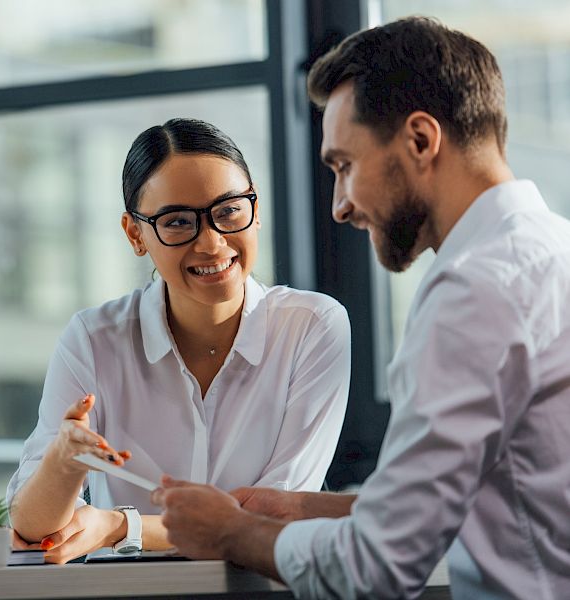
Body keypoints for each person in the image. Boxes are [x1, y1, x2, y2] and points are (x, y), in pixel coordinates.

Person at [152, 16, 570, 600]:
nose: (340, 207)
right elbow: (500, 497)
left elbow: (374, 567)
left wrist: (231, 532)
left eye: (345, 166)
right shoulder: (553, 252)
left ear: (421, 140)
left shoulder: (474, 293)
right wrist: (301, 508)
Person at [6, 118, 351, 563]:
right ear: (135, 234)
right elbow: (32, 528)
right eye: (178, 222)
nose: (211, 243)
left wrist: (121, 526)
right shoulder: (93, 339)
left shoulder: (313, 326)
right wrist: (63, 462)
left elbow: (277, 513)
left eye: (229, 211)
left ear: (256, 208)